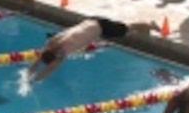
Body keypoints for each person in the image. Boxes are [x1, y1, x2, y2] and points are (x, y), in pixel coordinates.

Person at [28, 17, 161, 82]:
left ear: (55, 57)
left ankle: (150, 24)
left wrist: (33, 80)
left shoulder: (61, 54)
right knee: (124, 32)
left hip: (102, 27)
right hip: (91, 20)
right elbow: (40, 58)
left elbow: (49, 69)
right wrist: (29, 72)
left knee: (127, 29)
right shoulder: (52, 42)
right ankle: (144, 29)